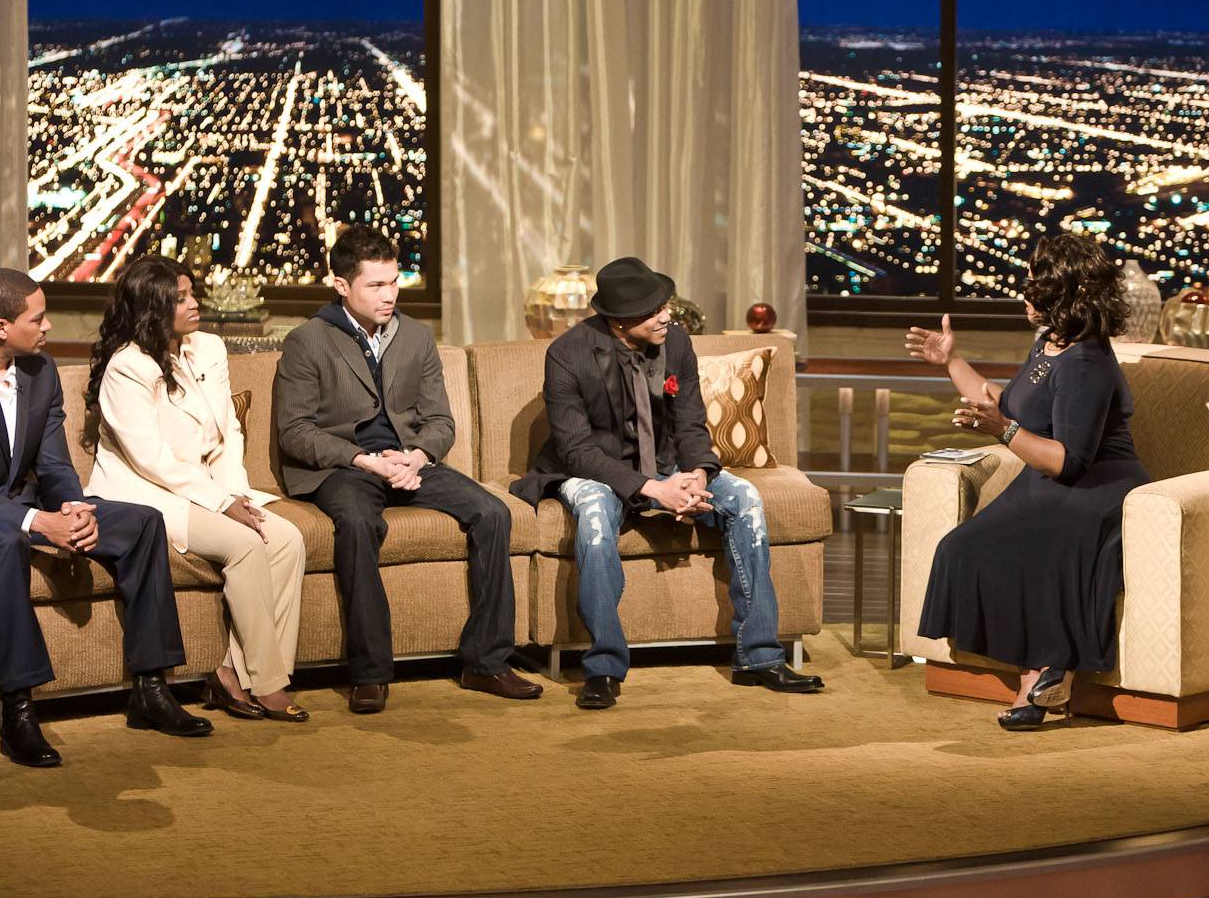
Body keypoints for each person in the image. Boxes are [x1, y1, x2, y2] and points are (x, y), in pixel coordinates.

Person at [0, 268, 209, 767]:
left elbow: (55, 465)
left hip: (20, 505)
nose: (48, 326)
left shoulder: (40, 372)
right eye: (37, 319)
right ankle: (18, 711)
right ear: (1, 328)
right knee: (6, 542)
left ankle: (151, 689)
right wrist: (39, 523)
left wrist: (76, 510)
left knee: (144, 523)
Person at [511, 256, 824, 709]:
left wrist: (697, 475)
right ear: (619, 321)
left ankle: (758, 657)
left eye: (664, 306)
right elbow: (577, 450)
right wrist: (654, 490)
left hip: (667, 463)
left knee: (746, 499)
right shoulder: (568, 354)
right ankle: (603, 668)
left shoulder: (675, 341)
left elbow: (690, 423)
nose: (666, 317)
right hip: (594, 469)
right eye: (654, 311)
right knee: (594, 514)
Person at [273, 224, 542, 714]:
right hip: (346, 466)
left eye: (394, 282)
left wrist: (416, 456)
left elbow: (440, 421)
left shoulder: (416, 336)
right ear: (341, 285)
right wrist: (365, 460)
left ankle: (486, 662)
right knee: (357, 523)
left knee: (493, 512)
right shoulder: (306, 341)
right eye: (376, 284)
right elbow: (296, 432)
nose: (390, 295)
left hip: (408, 461)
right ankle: (370, 673)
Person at [906, 232, 1151, 731]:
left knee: (1022, 552)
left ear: (1065, 292)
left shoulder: (1086, 363)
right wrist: (950, 360)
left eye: (1036, 282)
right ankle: (1042, 671)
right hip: (1047, 482)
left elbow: (1068, 461)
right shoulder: (1050, 344)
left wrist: (1002, 430)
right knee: (960, 549)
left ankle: (1043, 674)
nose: (1026, 291)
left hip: (1094, 491)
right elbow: (1006, 402)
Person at [84, 256, 309, 722]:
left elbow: (228, 432)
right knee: (246, 545)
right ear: (153, 307)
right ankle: (269, 683)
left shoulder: (208, 348)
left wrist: (234, 494)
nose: (193, 304)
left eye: (192, 293)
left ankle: (233, 674)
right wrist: (221, 504)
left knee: (287, 539)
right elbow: (151, 459)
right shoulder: (127, 367)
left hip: (206, 486)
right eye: (180, 298)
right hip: (146, 492)